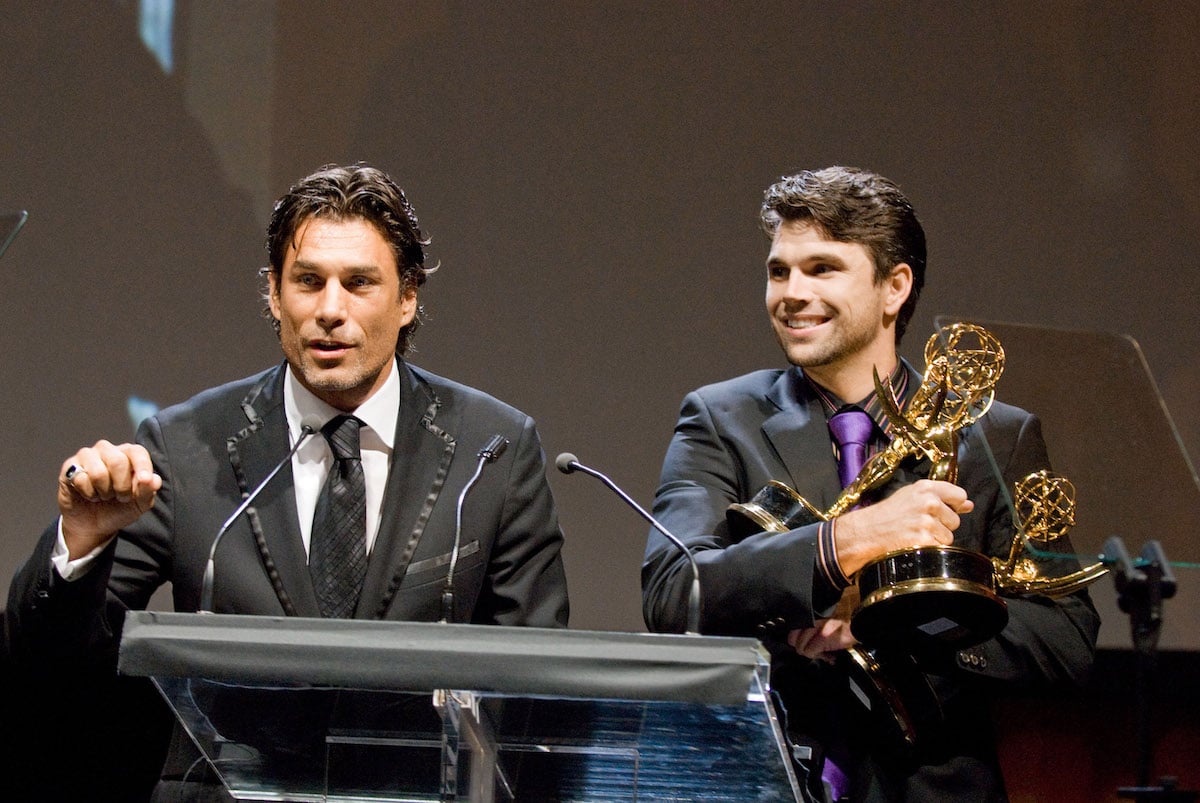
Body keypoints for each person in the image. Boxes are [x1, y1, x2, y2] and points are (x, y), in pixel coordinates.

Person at [5, 163, 569, 799]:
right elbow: (42, 665)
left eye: (360, 283)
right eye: (308, 281)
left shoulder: (491, 449)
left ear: (407, 297)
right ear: (274, 294)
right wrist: (79, 545)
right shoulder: (189, 446)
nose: (331, 310)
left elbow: (538, 687)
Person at [641, 166, 1099, 802]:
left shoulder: (995, 434)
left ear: (895, 288)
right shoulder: (722, 418)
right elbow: (674, 593)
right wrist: (844, 543)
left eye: (822, 268)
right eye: (780, 271)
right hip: (762, 780)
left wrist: (892, 618)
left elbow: (1066, 641)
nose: (791, 292)